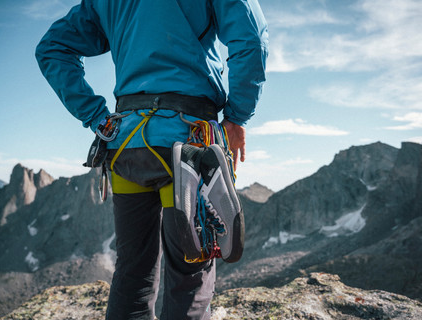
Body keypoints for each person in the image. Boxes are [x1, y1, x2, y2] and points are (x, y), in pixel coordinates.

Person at [35, 0, 268, 319]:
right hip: (190, 144)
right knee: (190, 276)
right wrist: (237, 117)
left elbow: (52, 48)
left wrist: (96, 117)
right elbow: (251, 37)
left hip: (127, 144)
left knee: (132, 274)